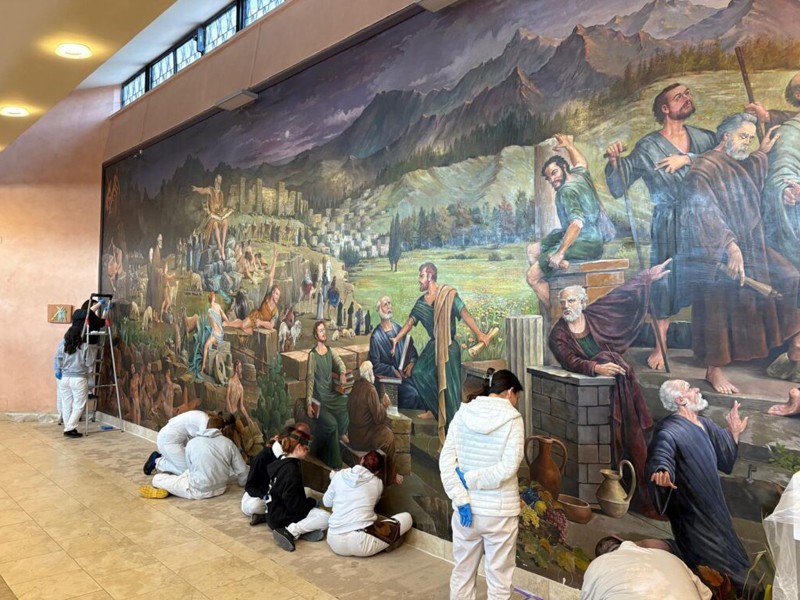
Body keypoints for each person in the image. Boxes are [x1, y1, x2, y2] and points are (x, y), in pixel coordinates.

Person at [680, 113, 799, 394]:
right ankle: (714, 370)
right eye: (743, 136)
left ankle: (795, 347)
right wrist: (730, 246)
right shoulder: (703, 169)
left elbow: (751, 174)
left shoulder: (739, 161)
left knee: (792, 278)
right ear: (725, 136)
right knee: (718, 305)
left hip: (752, 246)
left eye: (750, 137)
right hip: (717, 252)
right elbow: (703, 212)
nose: (747, 141)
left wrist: (763, 154)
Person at [605, 83, 717, 370]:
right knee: (663, 280)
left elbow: (724, 161)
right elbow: (619, 185)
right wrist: (615, 162)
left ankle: (711, 351)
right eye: (679, 96)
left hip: (703, 220)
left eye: (688, 93)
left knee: (708, 279)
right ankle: (660, 346)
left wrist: (688, 159)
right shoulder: (648, 146)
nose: (687, 98)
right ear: (665, 109)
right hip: (667, 221)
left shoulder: (705, 138)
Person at [548, 260, 672, 517]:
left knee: (637, 438)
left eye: (571, 301)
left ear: (583, 302)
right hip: (601, 390)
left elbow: (619, 297)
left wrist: (646, 277)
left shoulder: (593, 315)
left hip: (622, 386)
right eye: (563, 302)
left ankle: (645, 494)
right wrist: (597, 367)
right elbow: (570, 361)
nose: (567, 306)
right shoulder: (558, 334)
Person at [646, 380, 750, 589]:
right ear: (680, 400)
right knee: (706, 556)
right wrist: (662, 471)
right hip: (690, 507)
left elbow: (725, 457)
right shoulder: (668, 429)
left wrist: (734, 432)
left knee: (728, 549)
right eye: (689, 388)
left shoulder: (704, 423)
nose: (696, 389)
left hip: (713, 502)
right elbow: (661, 453)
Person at [439, 369, 525, 600]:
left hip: (466, 512)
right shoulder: (513, 420)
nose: (515, 403)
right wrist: (472, 479)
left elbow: (446, 462)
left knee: (462, 573)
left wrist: (461, 496)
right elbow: (508, 467)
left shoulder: (462, 413)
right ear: (510, 392)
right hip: (500, 513)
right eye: (517, 397)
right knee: (499, 579)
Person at [391, 263, 491, 443]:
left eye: (421, 276)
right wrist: (397, 339)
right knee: (419, 373)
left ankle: (455, 431)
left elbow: (464, 313)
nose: (419, 280)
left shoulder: (448, 295)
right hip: (433, 345)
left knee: (451, 391)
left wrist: (479, 334)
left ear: (430, 277)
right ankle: (437, 409)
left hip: (449, 346)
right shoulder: (421, 303)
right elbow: (410, 323)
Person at [526, 134, 605, 312]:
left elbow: (576, 223)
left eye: (554, 173)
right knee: (532, 250)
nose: (552, 180)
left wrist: (560, 253)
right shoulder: (579, 177)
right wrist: (569, 145)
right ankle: (554, 284)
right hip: (590, 237)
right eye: (549, 178)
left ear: (563, 167)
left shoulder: (566, 192)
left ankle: (560, 316)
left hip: (584, 241)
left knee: (532, 277)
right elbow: (582, 163)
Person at [324, 450, 413, 557]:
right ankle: (387, 543)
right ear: (377, 472)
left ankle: (384, 543)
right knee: (407, 517)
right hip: (361, 543)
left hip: (334, 541)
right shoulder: (378, 483)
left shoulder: (339, 476)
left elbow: (326, 502)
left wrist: (334, 481)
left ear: (362, 460)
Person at [140, 420, 248, 500]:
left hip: (198, 490)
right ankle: (173, 484)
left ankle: (168, 486)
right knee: (183, 476)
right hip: (221, 489)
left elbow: (191, 469)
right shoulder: (228, 443)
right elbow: (243, 471)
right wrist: (241, 483)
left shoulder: (192, 443)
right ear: (221, 430)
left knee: (157, 479)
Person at [581, 535, 711, 600]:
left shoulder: (598, 565)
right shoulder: (670, 557)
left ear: (602, 557)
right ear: (620, 539)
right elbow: (706, 594)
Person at [267, 428, 331, 552]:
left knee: (307, 491)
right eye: (306, 448)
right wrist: (312, 503)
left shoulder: (282, 461)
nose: (308, 451)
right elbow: (294, 506)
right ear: (298, 447)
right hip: (281, 519)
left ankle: (303, 531)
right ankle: (290, 532)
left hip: (272, 513)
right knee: (326, 517)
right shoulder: (291, 470)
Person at [241, 423, 311, 525]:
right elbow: (249, 487)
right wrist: (264, 496)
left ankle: (267, 515)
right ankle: (265, 515)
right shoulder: (261, 458)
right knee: (254, 506)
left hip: (279, 497)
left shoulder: (292, 456)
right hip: (261, 496)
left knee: (308, 492)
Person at [348, 361, 402, 486]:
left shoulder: (355, 385)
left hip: (353, 435)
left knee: (384, 431)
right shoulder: (370, 389)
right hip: (363, 438)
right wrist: (384, 405)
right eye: (372, 372)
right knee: (388, 436)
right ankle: (391, 476)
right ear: (369, 373)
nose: (373, 374)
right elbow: (379, 418)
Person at [306, 320, 349, 468]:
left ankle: (343, 432)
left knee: (345, 399)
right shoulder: (312, 355)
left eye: (324, 330)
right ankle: (334, 462)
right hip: (319, 400)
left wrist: (342, 373)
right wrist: (308, 404)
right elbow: (310, 380)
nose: (324, 333)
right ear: (315, 335)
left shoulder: (330, 351)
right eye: (320, 331)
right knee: (332, 424)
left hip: (330, 396)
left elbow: (340, 363)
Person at [369, 295, 421, 410]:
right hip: (391, 381)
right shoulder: (376, 337)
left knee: (422, 389)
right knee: (413, 394)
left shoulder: (398, 328)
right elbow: (375, 365)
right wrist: (393, 371)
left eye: (389, 303)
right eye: (385, 305)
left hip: (405, 376)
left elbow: (411, 350)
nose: (388, 306)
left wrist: (412, 362)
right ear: (379, 310)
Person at [143, 410, 233, 476]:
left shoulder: (206, 419)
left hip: (178, 441)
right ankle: (158, 462)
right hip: (167, 441)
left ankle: (166, 458)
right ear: (223, 426)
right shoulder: (205, 425)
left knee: (192, 466)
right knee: (187, 471)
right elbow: (204, 448)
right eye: (226, 430)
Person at [54, 324, 95, 437]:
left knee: (66, 404)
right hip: (79, 378)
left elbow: (59, 363)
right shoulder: (85, 347)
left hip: (64, 378)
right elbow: (89, 363)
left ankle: (69, 427)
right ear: (79, 336)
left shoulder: (63, 347)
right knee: (79, 404)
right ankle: (69, 428)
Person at [192, 174, 231, 253]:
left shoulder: (221, 193)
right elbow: (203, 190)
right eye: (218, 181)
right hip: (211, 215)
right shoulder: (210, 190)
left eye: (220, 181)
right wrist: (196, 189)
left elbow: (221, 207)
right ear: (215, 181)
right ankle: (219, 245)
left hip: (219, 215)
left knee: (225, 222)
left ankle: (222, 245)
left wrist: (224, 211)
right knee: (215, 224)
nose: (219, 183)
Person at [247, 246, 280, 331]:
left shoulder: (275, 312)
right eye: (276, 293)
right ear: (272, 293)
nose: (277, 296)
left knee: (245, 326)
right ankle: (227, 323)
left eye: (278, 295)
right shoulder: (268, 295)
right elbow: (271, 277)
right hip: (256, 316)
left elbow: (271, 325)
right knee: (243, 325)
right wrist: (275, 258)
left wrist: (261, 323)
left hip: (260, 323)